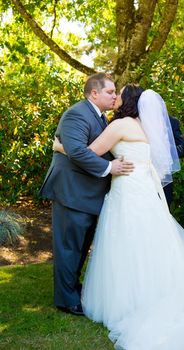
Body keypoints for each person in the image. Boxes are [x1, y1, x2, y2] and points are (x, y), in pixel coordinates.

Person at [54, 85, 184, 349]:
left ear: (129, 101)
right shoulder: (146, 125)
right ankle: (156, 293)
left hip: (127, 190)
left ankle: (129, 300)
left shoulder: (121, 125)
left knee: (126, 244)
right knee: (150, 244)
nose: (116, 96)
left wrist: (60, 146)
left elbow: (88, 153)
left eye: (120, 93)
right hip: (145, 191)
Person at [39, 73, 134, 316]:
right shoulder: (76, 114)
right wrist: (110, 168)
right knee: (69, 247)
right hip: (72, 191)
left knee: (80, 248)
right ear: (94, 93)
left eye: (115, 93)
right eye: (110, 92)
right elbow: (79, 152)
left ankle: (72, 288)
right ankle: (66, 300)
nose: (114, 96)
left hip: (89, 193)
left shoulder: (101, 118)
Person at [163, 115, 184, 207]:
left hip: (164, 176)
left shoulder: (172, 121)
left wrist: (162, 151)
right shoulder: (137, 120)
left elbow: (181, 149)